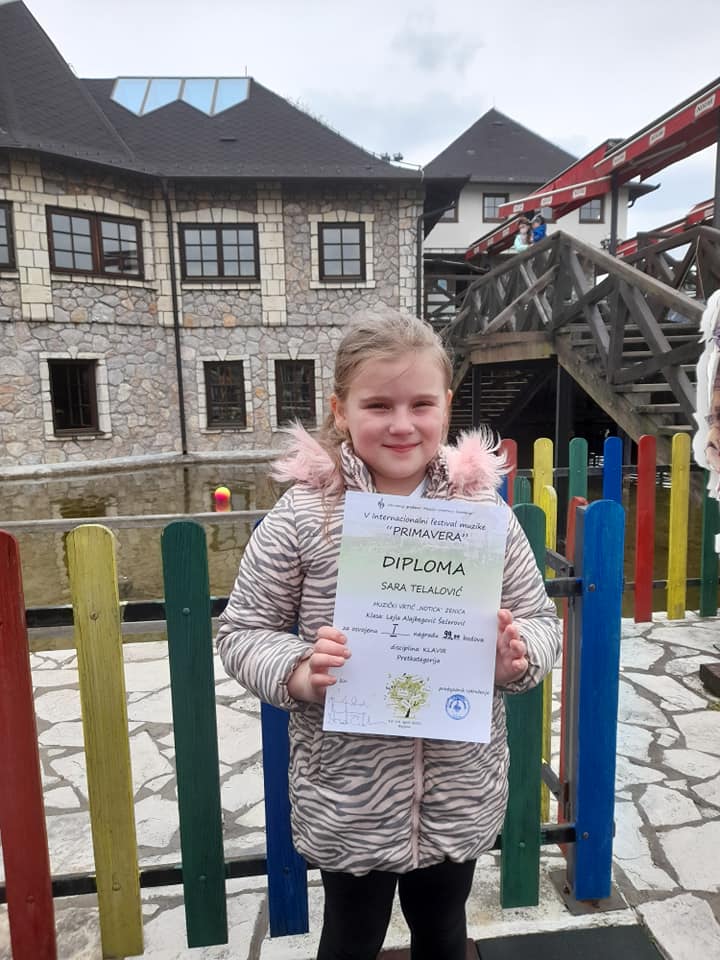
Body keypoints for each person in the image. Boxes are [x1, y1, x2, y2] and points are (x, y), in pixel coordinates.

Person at [216, 308, 561, 960]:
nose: (402, 424)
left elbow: (540, 620)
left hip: (458, 788)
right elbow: (242, 630)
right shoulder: (304, 516)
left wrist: (515, 660)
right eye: (378, 405)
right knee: (351, 936)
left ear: (447, 406)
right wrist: (300, 671)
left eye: (421, 404)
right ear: (341, 411)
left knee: (444, 931)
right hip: (350, 793)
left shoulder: (480, 512)